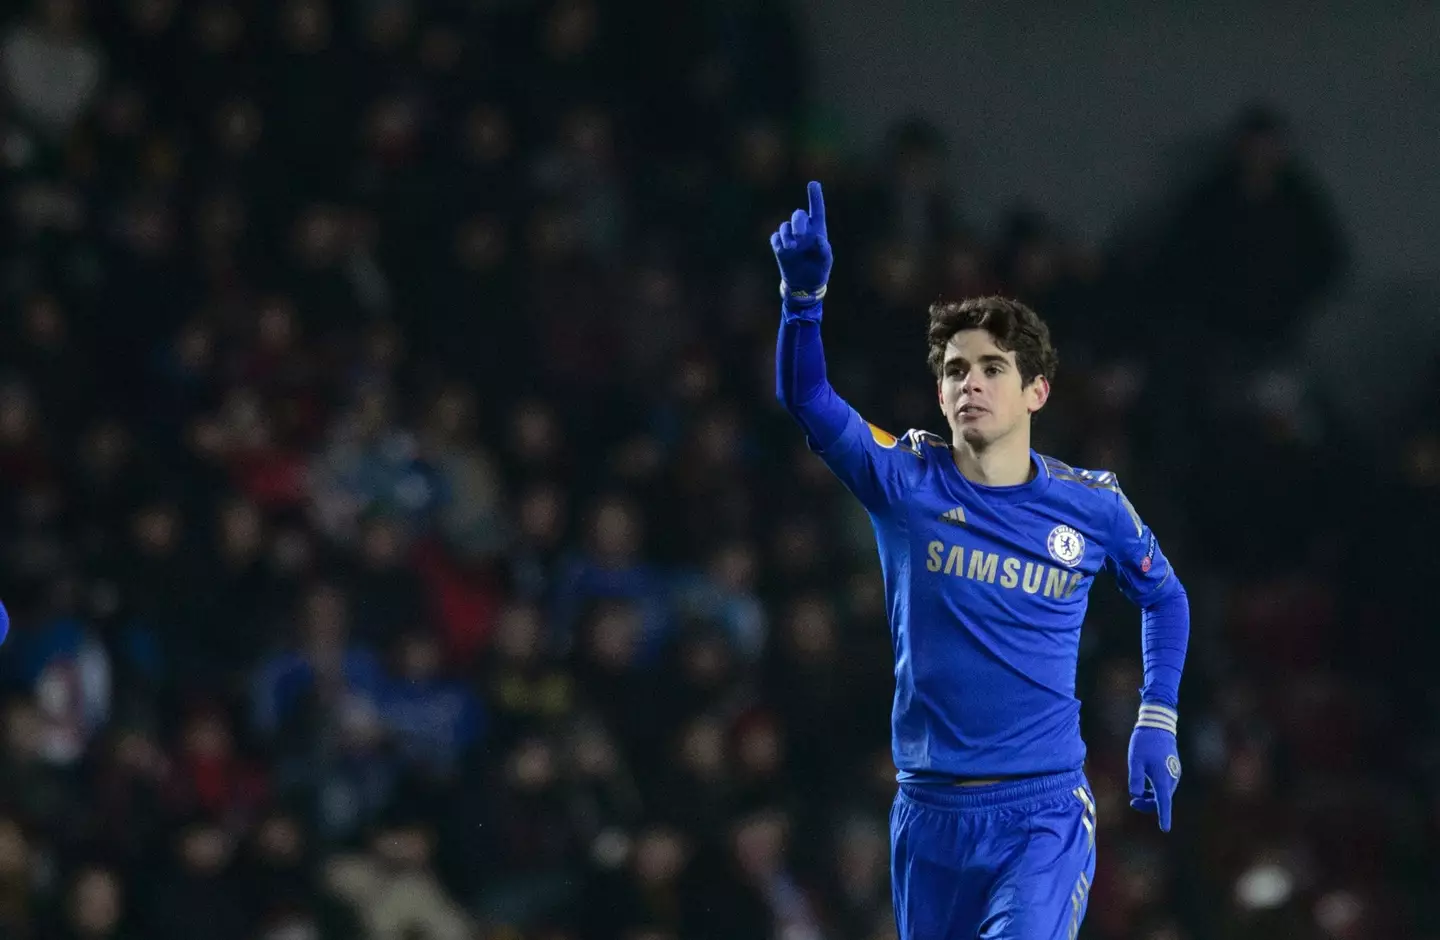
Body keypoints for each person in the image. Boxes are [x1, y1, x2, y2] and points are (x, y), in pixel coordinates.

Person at [769, 183, 1190, 939]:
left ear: (1037, 391)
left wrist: (1156, 717)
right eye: (956, 370)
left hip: (1041, 814)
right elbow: (809, 397)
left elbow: (1166, 597)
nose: (971, 382)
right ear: (939, 395)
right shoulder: (904, 481)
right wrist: (803, 303)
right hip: (928, 815)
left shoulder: (1092, 505)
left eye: (993, 368)